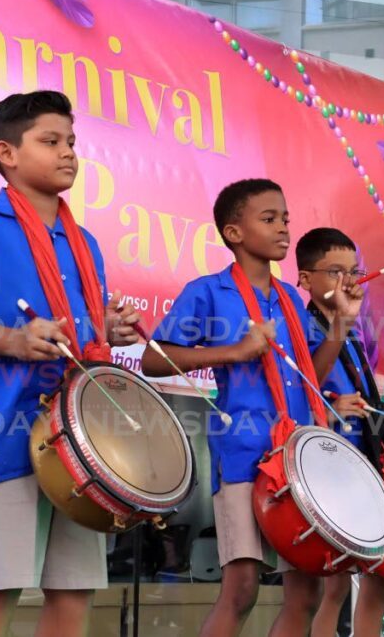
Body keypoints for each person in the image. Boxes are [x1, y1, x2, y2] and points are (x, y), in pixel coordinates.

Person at [0, 90, 139, 637]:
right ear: (6, 153)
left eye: (71, 141)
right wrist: (12, 340)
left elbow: (86, 335)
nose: (68, 152)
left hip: (81, 442)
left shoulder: (86, 244)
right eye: (50, 141)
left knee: (73, 595)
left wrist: (109, 331)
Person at [141, 179, 362, 637]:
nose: (283, 228)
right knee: (241, 587)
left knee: (306, 591)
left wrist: (340, 324)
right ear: (234, 232)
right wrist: (235, 351)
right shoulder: (208, 291)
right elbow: (152, 358)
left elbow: (308, 378)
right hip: (245, 455)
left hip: (297, 458)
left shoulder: (287, 301)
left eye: (284, 218)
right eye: (269, 219)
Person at [296, 227, 384, 637]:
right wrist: (331, 407)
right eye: (335, 271)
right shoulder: (302, 326)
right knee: (334, 582)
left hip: (363, 459)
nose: (349, 281)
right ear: (305, 279)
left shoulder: (353, 331)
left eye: (353, 271)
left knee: (381, 572)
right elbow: (302, 387)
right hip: (327, 464)